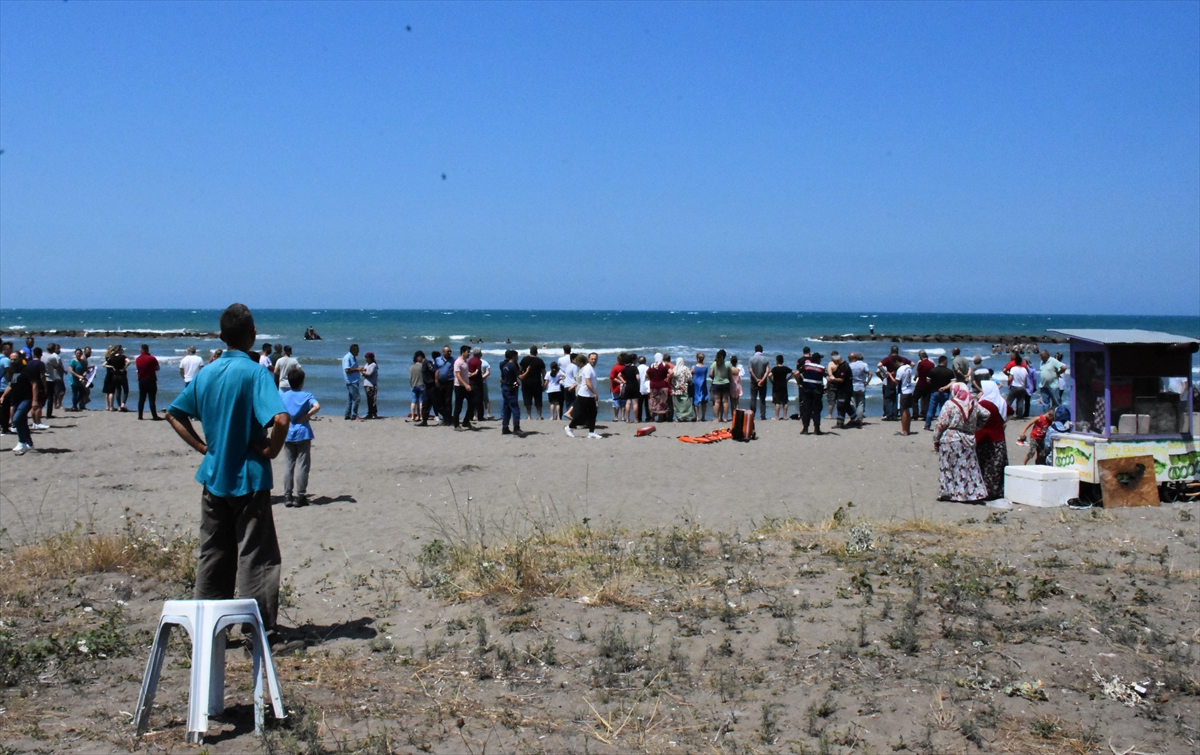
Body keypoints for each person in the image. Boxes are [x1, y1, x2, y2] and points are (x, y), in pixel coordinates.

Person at [165, 304, 290, 638]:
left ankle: (207, 629)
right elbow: (280, 419)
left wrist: (204, 448)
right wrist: (272, 450)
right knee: (256, 556)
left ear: (222, 337)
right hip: (249, 477)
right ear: (252, 335)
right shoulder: (255, 372)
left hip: (214, 475)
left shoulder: (207, 372)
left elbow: (174, 414)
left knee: (214, 554)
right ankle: (258, 630)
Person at [932, 383, 990, 503]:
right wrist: (976, 427)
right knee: (967, 467)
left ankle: (949, 492)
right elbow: (986, 414)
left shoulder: (950, 404)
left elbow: (941, 423)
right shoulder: (973, 404)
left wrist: (936, 439)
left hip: (950, 438)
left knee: (949, 467)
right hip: (968, 438)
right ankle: (969, 493)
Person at [280, 368, 319, 507]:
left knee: (289, 465)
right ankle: (300, 495)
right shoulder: (306, 395)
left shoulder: (283, 395)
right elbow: (316, 406)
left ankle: (287, 495)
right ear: (301, 382)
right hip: (303, 432)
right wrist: (307, 416)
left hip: (288, 432)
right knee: (303, 465)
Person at [975, 380, 1009, 500]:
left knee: (985, 466)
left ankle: (985, 492)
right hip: (999, 437)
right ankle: (998, 491)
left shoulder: (984, 404)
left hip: (984, 438)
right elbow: (1010, 413)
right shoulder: (1001, 401)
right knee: (997, 467)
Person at [2, 350, 38, 455]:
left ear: (21, 359)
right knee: (22, 421)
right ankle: (29, 443)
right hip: (16, 399)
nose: (12, 361)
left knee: (16, 419)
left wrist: (35, 400)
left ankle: (22, 442)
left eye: (15, 359)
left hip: (26, 399)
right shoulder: (13, 370)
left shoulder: (27, 370)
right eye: (11, 359)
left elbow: (34, 384)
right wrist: (3, 396)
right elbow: (10, 385)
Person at [566, 353, 600, 438]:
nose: (593, 360)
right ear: (588, 359)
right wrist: (595, 392)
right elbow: (588, 383)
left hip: (590, 395)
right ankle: (569, 427)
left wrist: (593, 393)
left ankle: (591, 432)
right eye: (592, 359)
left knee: (593, 413)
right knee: (581, 414)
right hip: (584, 395)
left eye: (595, 359)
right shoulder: (587, 368)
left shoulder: (593, 368)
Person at [877, 346, 910, 421]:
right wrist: (906, 372)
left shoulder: (888, 359)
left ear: (891, 351)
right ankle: (895, 414)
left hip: (890, 380)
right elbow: (912, 364)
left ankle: (889, 415)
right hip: (899, 381)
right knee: (895, 398)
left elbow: (879, 365)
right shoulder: (901, 359)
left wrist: (885, 373)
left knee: (888, 398)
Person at [924, 355, 956, 431]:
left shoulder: (933, 370)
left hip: (935, 391)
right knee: (943, 410)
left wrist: (933, 384)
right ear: (945, 362)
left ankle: (927, 425)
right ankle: (942, 426)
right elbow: (954, 381)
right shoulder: (949, 371)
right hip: (945, 392)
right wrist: (945, 387)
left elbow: (928, 380)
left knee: (931, 409)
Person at [830, 353, 860, 428]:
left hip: (845, 390)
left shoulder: (844, 367)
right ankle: (855, 419)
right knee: (846, 405)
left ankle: (841, 422)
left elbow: (841, 379)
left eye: (833, 361)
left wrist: (832, 378)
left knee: (841, 405)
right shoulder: (840, 366)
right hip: (843, 389)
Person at [800, 352, 826, 434]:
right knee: (817, 410)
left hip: (807, 389)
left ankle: (805, 429)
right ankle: (817, 429)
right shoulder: (822, 368)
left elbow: (797, 373)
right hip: (817, 391)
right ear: (818, 360)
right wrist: (826, 388)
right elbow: (829, 379)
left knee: (806, 409)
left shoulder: (806, 366)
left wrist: (800, 383)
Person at [499, 349, 523, 435]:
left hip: (505, 387)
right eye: (516, 356)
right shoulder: (512, 366)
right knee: (515, 408)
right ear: (513, 357)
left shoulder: (505, 365)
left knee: (506, 408)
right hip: (510, 389)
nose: (517, 358)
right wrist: (526, 371)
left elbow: (502, 378)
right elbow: (521, 377)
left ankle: (505, 427)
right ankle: (516, 427)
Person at [519, 346, 546, 420]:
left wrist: (521, 379)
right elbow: (544, 373)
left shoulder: (524, 359)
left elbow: (520, 370)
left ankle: (529, 416)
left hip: (526, 382)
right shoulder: (539, 361)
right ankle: (539, 416)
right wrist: (544, 383)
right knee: (538, 400)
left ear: (530, 351)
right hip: (536, 382)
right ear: (536, 352)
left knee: (527, 399)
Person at [135, 343, 161, 420]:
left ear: (141, 350)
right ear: (147, 350)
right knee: (152, 399)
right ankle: (154, 415)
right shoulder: (152, 358)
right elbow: (157, 368)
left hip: (142, 380)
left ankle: (140, 415)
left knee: (142, 398)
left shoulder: (138, 359)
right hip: (151, 379)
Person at [453, 345, 476, 430]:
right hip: (459, 386)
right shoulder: (458, 362)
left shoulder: (465, 361)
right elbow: (458, 375)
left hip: (466, 386)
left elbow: (463, 373)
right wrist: (466, 385)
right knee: (458, 406)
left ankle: (466, 421)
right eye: (468, 352)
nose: (469, 353)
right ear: (463, 352)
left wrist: (469, 375)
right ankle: (456, 425)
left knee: (473, 402)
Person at [646, 353, 671, 421]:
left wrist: (651, 378)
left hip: (653, 385)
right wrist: (668, 378)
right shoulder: (664, 365)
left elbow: (646, 375)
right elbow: (672, 372)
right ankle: (661, 416)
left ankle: (653, 416)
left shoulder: (651, 366)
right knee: (662, 401)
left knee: (653, 400)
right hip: (663, 385)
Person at [1005, 355, 1030, 419]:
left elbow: (1010, 379)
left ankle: (1004, 414)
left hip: (1015, 386)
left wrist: (1009, 378)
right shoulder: (1024, 369)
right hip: (1022, 387)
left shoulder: (1013, 369)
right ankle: (1019, 416)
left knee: (1008, 401)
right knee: (1020, 401)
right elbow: (1026, 378)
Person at [710, 350, 732, 423]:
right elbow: (730, 374)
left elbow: (711, 374)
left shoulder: (714, 364)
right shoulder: (728, 364)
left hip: (716, 383)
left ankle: (716, 418)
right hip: (725, 383)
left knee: (717, 402)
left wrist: (714, 377)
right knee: (725, 401)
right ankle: (725, 418)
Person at [748, 346, 770, 421]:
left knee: (753, 398)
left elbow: (751, 370)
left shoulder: (751, 359)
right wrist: (762, 380)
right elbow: (767, 371)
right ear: (762, 351)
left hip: (754, 381)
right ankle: (763, 415)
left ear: (755, 350)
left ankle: (752, 415)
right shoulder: (766, 359)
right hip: (763, 381)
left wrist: (756, 379)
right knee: (762, 399)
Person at [895, 358, 916, 435]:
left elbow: (897, 382)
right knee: (907, 410)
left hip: (903, 391)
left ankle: (904, 430)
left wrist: (890, 375)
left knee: (903, 410)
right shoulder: (909, 368)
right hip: (909, 389)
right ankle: (908, 429)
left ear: (897, 362)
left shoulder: (900, 369)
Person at [43, 344, 65, 417]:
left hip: (43, 377)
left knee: (44, 395)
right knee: (50, 396)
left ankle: (40, 409)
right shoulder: (52, 357)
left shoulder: (42, 355)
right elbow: (57, 366)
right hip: (50, 378)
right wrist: (64, 371)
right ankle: (49, 413)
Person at [342, 344, 362, 420]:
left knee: (350, 398)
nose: (358, 352)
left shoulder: (352, 358)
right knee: (357, 398)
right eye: (357, 351)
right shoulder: (348, 357)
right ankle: (354, 414)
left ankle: (347, 414)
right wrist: (357, 369)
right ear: (353, 350)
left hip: (353, 380)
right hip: (351, 381)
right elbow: (347, 370)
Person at [671, 356, 694, 421]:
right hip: (684, 388)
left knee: (676, 403)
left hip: (676, 389)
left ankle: (679, 417)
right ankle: (685, 416)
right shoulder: (686, 369)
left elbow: (672, 379)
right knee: (685, 403)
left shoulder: (674, 369)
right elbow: (690, 378)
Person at [472, 348, 492, 421]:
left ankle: (488, 413)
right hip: (475, 382)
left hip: (483, 382)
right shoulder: (472, 362)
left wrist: (481, 378)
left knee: (485, 398)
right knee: (475, 398)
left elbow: (488, 372)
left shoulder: (484, 362)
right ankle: (474, 415)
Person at [849, 352, 870, 419]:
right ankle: (859, 418)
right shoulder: (864, 365)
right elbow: (870, 373)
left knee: (853, 402)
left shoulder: (851, 365)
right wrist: (867, 382)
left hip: (852, 384)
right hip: (861, 384)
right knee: (861, 403)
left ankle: (853, 417)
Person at [109, 345, 131, 412]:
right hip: (122, 375)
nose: (123, 350)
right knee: (126, 390)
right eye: (122, 349)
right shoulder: (122, 356)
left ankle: (119, 406)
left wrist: (112, 367)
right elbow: (129, 361)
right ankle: (123, 404)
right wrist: (124, 368)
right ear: (119, 350)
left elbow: (106, 363)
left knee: (118, 390)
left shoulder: (112, 357)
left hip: (115, 375)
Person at [770, 355, 791, 421]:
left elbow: (769, 375)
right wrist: (788, 379)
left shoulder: (775, 369)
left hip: (776, 386)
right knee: (785, 402)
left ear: (777, 361)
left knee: (777, 402)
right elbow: (795, 373)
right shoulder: (785, 368)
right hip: (784, 385)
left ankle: (777, 417)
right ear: (782, 361)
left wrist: (772, 381)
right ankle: (785, 416)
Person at [621, 354, 641, 423]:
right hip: (634, 385)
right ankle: (635, 419)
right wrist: (639, 383)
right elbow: (638, 377)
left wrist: (624, 381)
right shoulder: (635, 368)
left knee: (628, 403)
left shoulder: (626, 368)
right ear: (634, 360)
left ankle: (627, 419)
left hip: (628, 385)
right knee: (635, 403)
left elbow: (619, 375)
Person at [558, 346, 576, 416]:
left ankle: (560, 415)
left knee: (562, 400)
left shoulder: (560, 359)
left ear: (564, 351)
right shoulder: (572, 359)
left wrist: (563, 374)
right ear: (570, 350)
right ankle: (571, 413)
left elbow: (559, 369)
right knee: (573, 399)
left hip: (563, 381)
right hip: (572, 382)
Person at [360, 352, 379, 419]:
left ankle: (374, 413)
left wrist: (363, 372)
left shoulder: (373, 365)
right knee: (369, 400)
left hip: (372, 385)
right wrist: (363, 372)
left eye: (367, 358)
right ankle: (370, 413)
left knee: (373, 400)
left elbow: (369, 373)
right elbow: (364, 372)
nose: (366, 359)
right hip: (366, 384)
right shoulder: (367, 364)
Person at [609, 353, 627, 421]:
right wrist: (623, 382)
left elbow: (612, 377)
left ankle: (616, 417)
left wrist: (619, 382)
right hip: (624, 388)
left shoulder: (615, 367)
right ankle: (623, 417)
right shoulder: (625, 367)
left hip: (615, 387)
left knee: (616, 402)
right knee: (623, 402)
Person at [692, 353, 709, 421]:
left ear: (697, 358)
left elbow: (691, 373)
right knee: (703, 400)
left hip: (696, 384)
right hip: (703, 384)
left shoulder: (694, 367)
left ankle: (697, 416)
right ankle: (703, 417)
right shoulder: (706, 367)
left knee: (696, 400)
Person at [409, 351, 426, 421]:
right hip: (421, 384)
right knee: (421, 401)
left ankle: (413, 415)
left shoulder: (411, 367)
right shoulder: (422, 366)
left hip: (413, 385)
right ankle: (421, 416)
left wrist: (412, 383)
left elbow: (410, 377)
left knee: (414, 401)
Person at [824, 351, 840, 420]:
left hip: (832, 384)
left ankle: (830, 414)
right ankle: (840, 414)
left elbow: (830, 376)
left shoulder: (831, 364)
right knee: (839, 400)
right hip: (840, 383)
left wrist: (826, 386)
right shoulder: (841, 364)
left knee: (831, 400)